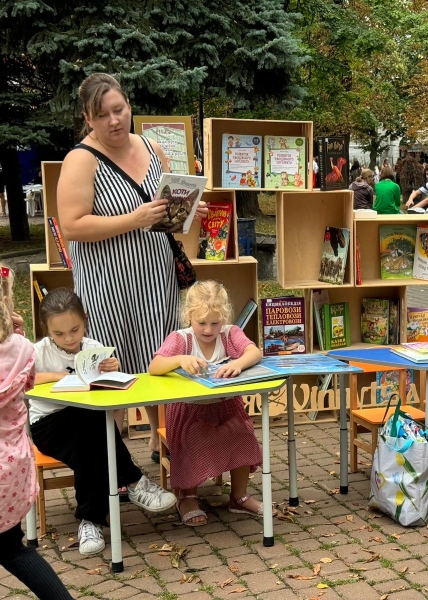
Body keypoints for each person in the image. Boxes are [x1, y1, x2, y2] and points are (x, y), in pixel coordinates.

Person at [56, 73, 207, 460]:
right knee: (109, 368)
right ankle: (113, 463)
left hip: (155, 277)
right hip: (106, 283)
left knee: (159, 359)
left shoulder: (153, 148)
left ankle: (163, 446)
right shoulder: (80, 159)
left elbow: (165, 216)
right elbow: (72, 225)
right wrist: (132, 219)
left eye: (119, 109)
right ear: (88, 119)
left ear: (129, 105)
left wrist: (190, 212)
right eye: (102, 114)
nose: (114, 120)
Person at [29, 288, 177, 555]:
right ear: (45, 329)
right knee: (91, 426)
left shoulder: (95, 349)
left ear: (85, 319)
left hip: (89, 427)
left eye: (75, 329)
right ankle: (133, 480)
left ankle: (90, 520)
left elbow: (110, 392)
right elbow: (21, 378)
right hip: (48, 426)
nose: (69, 338)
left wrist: (114, 370)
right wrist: (55, 377)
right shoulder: (37, 352)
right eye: (59, 333)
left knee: (90, 435)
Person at [149, 281, 264, 526]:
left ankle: (239, 496)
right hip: (189, 412)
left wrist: (238, 363)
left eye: (215, 322)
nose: (209, 329)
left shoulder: (230, 334)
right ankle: (187, 496)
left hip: (227, 406)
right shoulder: (181, 339)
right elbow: (154, 367)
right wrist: (179, 359)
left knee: (244, 435)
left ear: (224, 318)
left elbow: (255, 352)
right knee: (194, 439)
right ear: (189, 316)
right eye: (202, 322)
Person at [0, 266, 73, 599]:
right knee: (12, 548)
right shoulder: (23, 350)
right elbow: (27, 383)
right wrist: (15, 335)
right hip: (11, 472)